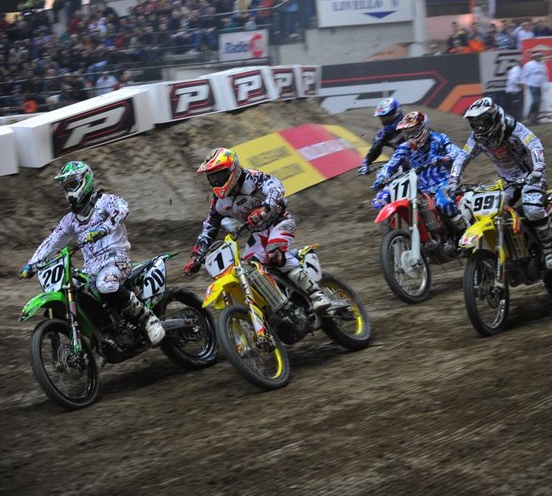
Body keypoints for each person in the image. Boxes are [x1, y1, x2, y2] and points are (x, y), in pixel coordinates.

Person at [19, 161, 165, 345]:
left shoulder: (103, 202)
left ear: (85, 180)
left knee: (105, 284)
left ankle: (148, 319)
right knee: (73, 287)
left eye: (72, 185)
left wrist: (104, 228)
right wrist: (32, 264)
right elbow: (52, 241)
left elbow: (122, 208)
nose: (69, 191)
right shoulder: (70, 220)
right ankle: (102, 331)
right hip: (91, 267)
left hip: (116, 258)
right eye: (65, 187)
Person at [183, 148, 331, 312]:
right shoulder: (219, 201)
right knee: (249, 269)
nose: (216, 181)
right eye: (212, 178)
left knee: (274, 254)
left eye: (220, 175)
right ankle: (279, 304)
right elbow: (209, 227)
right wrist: (196, 256)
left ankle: (316, 294)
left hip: (279, 220)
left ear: (233, 169)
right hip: (258, 233)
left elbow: (276, 188)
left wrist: (264, 209)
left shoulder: (253, 177)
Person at [446, 97, 552, 270]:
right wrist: (453, 180)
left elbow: (534, 144)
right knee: (487, 211)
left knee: (532, 209)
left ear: (493, 117)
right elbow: (463, 156)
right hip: (507, 181)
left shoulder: (512, 127)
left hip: (531, 176)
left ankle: (550, 250)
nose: (480, 127)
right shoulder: (477, 138)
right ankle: (500, 250)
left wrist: (538, 168)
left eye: (482, 122)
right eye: (475, 124)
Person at [371, 111, 466, 234]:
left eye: (413, 132)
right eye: (406, 133)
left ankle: (463, 230)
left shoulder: (439, 138)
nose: (410, 137)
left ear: (423, 128)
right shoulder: (404, 147)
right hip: (418, 187)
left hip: (442, 182)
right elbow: (390, 164)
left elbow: (457, 152)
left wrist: (446, 157)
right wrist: (382, 176)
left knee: (443, 203)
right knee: (386, 200)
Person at [358, 97, 405, 175]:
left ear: (397, 114)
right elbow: (374, 150)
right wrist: (365, 164)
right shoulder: (383, 134)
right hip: (401, 164)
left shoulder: (413, 124)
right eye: (383, 119)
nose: (385, 121)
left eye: (388, 118)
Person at [523, 51, 548, 125]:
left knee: (539, 102)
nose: (539, 57)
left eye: (540, 56)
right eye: (537, 56)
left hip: (539, 85)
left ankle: (535, 119)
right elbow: (525, 75)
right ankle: (530, 117)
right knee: (536, 101)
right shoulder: (529, 65)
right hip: (532, 85)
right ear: (534, 57)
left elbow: (545, 75)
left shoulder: (543, 64)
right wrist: (526, 84)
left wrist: (545, 84)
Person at [504, 55, 525, 120]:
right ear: (518, 62)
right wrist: (521, 86)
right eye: (521, 61)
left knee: (516, 107)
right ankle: (515, 120)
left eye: (523, 61)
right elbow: (513, 80)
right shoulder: (515, 70)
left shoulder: (520, 69)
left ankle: (516, 120)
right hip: (513, 92)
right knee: (515, 108)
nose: (522, 63)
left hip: (516, 91)